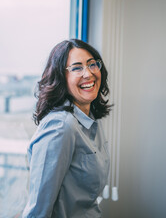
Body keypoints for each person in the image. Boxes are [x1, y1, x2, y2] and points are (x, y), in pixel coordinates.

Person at [22, 39, 111, 218]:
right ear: (61, 77)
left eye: (92, 64)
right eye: (77, 68)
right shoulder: (61, 127)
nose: (88, 73)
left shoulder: (90, 117)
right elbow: (38, 210)